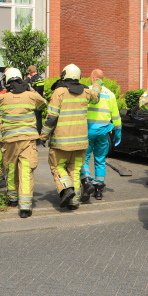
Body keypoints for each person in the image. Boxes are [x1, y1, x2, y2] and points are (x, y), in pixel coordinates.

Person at [0, 68, 47, 218]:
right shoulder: (30, 96)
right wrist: (30, 88)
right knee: (26, 170)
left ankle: (13, 199)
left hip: (9, 141)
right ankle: (25, 207)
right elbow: (43, 103)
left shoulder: (2, 98)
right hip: (28, 140)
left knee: (11, 169)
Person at [41, 64, 103, 210]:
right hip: (80, 143)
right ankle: (74, 202)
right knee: (74, 171)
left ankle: (67, 188)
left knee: (58, 167)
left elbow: (51, 118)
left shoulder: (59, 92)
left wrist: (43, 136)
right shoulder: (86, 92)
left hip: (61, 144)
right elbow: (97, 96)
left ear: (64, 75)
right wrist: (97, 83)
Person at [80, 69, 122, 201]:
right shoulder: (110, 94)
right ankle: (98, 191)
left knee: (84, 158)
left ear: (93, 78)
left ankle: (87, 182)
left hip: (87, 131)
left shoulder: (87, 91)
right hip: (103, 132)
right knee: (100, 160)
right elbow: (116, 116)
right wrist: (118, 133)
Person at [25, 65, 45, 144]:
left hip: (34, 102)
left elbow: (27, 87)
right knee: (39, 119)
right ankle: (39, 137)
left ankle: (35, 139)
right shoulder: (41, 78)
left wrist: (28, 79)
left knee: (34, 119)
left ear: (30, 72)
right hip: (41, 101)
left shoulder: (32, 79)